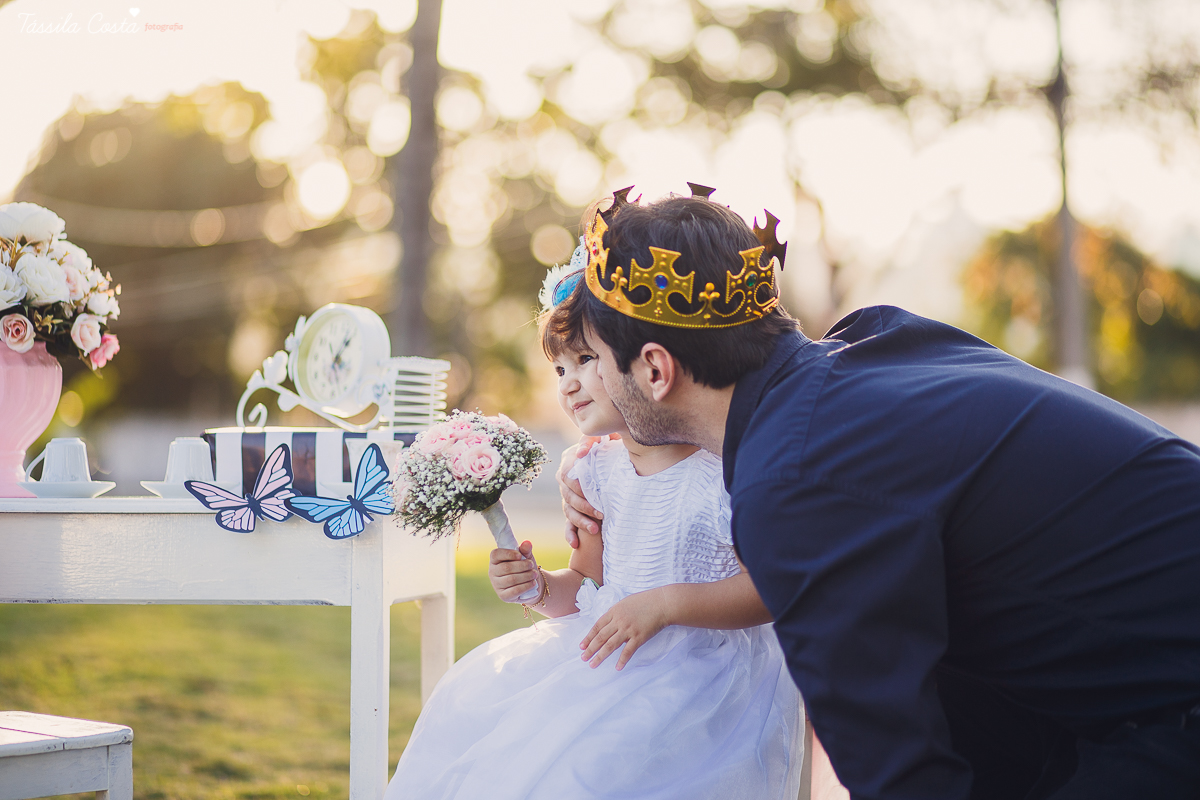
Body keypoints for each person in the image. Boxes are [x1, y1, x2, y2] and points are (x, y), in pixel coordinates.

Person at [556, 185, 1200, 799]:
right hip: (1107, 696)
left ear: (655, 368)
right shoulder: (875, 343)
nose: (591, 381)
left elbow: (898, 770)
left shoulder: (795, 481)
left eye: (597, 357)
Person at [383, 269, 804, 800]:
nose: (568, 382)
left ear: (647, 361)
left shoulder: (723, 467)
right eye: (559, 367)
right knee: (474, 708)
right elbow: (586, 587)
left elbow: (769, 591)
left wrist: (664, 605)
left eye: (586, 359)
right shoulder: (594, 472)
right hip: (615, 660)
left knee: (594, 769)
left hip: (707, 677)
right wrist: (537, 586)